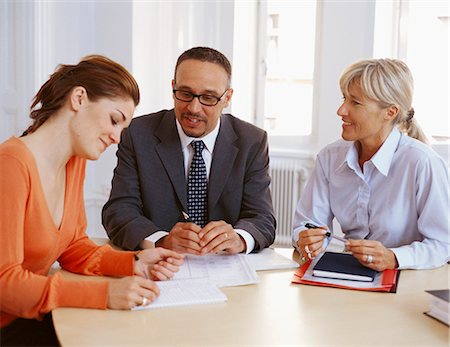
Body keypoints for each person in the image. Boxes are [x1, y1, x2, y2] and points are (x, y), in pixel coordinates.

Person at [0, 55, 184, 346]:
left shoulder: (74, 161)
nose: (116, 138)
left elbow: (73, 247)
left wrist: (135, 263)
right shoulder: (11, 164)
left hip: (32, 317)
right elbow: (3, 283)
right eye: (114, 120)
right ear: (79, 98)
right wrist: (104, 295)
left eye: (123, 129)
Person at [102, 46, 276, 255]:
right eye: (185, 94)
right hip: (159, 270)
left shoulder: (252, 141)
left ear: (227, 98)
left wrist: (239, 239)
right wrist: (161, 240)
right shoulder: (138, 134)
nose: (194, 108)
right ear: (173, 88)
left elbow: (262, 218)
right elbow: (119, 211)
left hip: (226, 271)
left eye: (209, 98)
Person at [293, 58, 449, 271]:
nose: (341, 110)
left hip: (405, 279)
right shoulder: (329, 157)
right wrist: (306, 237)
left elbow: (443, 244)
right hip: (348, 275)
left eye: (355, 103)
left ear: (390, 112)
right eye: (344, 99)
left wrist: (394, 257)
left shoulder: (422, 162)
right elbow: (307, 223)